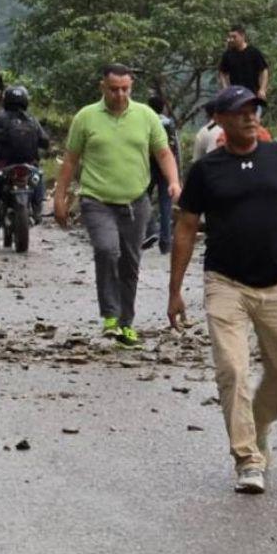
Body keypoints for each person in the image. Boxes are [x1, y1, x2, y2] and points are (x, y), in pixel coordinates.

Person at [168, 85, 277, 495]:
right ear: (219, 119)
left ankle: (258, 430)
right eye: (240, 111)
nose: (250, 116)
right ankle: (246, 459)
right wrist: (175, 291)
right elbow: (186, 228)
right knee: (233, 371)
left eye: (254, 109)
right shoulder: (207, 171)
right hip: (226, 283)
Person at [53, 65, 180, 349]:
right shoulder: (86, 117)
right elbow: (71, 159)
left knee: (130, 263)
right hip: (97, 200)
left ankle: (126, 325)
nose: (120, 94)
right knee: (106, 249)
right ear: (103, 87)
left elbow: (163, 152)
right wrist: (59, 197)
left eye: (125, 89)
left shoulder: (146, 116)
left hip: (136, 202)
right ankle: (110, 317)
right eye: (114, 89)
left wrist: (174, 182)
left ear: (131, 87)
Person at [0, 85, 49, 242]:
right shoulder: (32, 120)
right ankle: (38, 210)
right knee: (39, 177)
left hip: (3, 165)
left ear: (6, 100)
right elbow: (45, 141)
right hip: (29, 165)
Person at [143, 94, 180, 254]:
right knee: (166, 205)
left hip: (148, 166)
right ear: (163, 107)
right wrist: (177, 174)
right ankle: (165, 243)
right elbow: (175, 148)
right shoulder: (169, 123)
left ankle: (147, 232)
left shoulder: (145, 121)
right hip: (166, 167)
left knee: (143, 199)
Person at [217, 24, 270, 101]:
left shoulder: (253, 52)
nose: (231, 39)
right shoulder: (228, 54)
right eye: (230, 37)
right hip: (235, 96)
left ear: (242, 36)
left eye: (234, 37)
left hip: (253, 94)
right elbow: (222, 72)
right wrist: (225, 89)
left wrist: (262, 89)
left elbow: (264, 70)